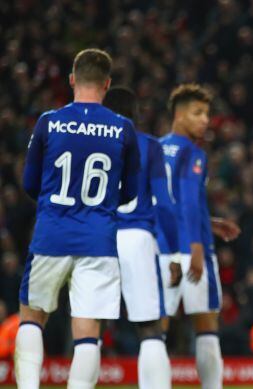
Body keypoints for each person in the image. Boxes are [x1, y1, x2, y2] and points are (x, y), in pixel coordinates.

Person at [15, 48, 140, 389]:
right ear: (107, 84)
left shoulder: (48, 122)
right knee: (87, 332)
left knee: (32, 317)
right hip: (98, 241)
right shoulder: (123, 128)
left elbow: (29, 183)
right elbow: (130, 192)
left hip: (51, 235)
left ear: (72, 79)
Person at [154, 84, 240, 389]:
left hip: (160, 247)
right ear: (178, 114)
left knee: (156, 330)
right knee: (206, 324)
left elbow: (169, 202)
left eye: (207, 113)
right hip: (191, 249)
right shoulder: (194, 152)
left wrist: (211, 222)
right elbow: (189, 200)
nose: (205, 120)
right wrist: (197, 247)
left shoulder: (154, 148)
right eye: (197, 112)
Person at [103, 86, 178, 389]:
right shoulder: (150, 146)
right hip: (137, 236)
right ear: (136, 113)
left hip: (97, 236)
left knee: (88, 325)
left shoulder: (91, 146)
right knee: (149, 328)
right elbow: (164, 204)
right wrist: (171, 254)